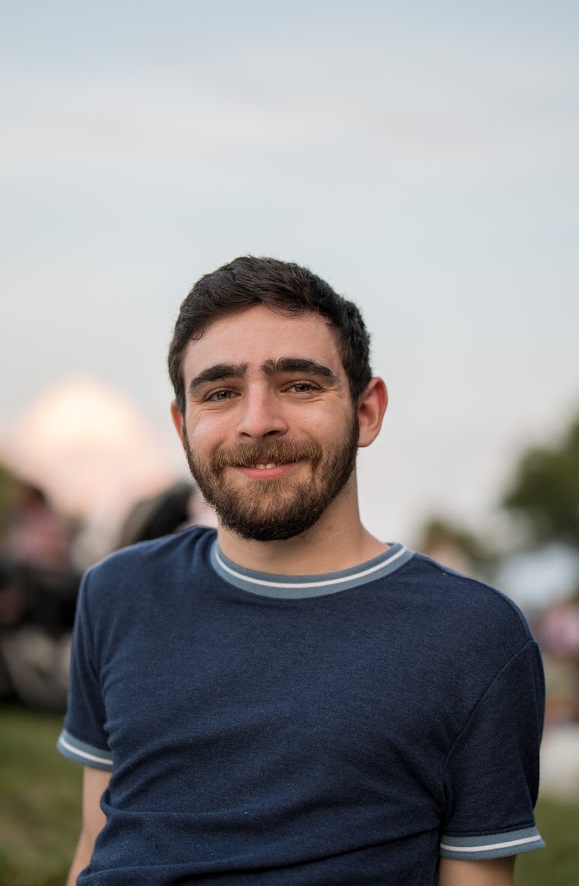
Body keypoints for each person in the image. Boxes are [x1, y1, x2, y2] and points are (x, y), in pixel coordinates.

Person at [58, 256, 545, 885]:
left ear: (367, 412)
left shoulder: (474, 638)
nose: (258, 421)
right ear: (183, 426)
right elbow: (95, 843)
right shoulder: (117, 593)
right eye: (220, 393)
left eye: (300, 385)